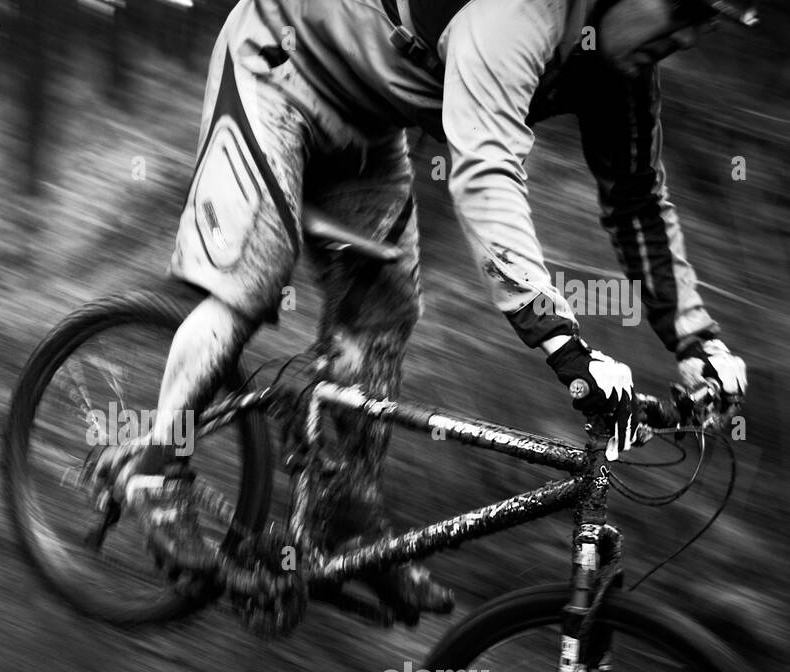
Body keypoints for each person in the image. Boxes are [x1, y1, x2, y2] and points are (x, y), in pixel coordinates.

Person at [104, 0, 752, 621]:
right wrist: (562, 341)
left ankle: (343, 522)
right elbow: (487, 169)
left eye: (704, 22)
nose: (686, 35)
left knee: (385, 313)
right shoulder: (519, 14)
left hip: (365, 120)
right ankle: (159, 471)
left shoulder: (621, 71)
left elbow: (638, 202)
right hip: (275, 66)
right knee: (251, 282)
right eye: (684, 8)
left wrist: (700, 343)